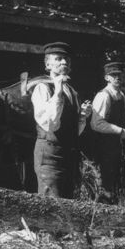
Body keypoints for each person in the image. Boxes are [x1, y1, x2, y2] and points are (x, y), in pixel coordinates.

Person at [29, 42, 81, 198]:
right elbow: (49, 124)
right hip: (49, 156)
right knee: (52, 206)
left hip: (68, 155)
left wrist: (83, 116)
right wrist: (57, 93)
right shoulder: (42, 88)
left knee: (68, 203)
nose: (64, 63)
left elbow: (74, 128)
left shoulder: (71, 91)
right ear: (48, 64)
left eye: (66, 60)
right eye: (58, 59)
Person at [88, 61, 125, 203]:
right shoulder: (103, 96)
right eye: (113, 75)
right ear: (107, 78)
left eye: (119, 75)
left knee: (121, 180)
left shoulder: (121, 95)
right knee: (107, 184)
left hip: (119, 145)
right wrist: (118, 130)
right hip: (104, 146)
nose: (117, 78)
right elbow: (96, 124)